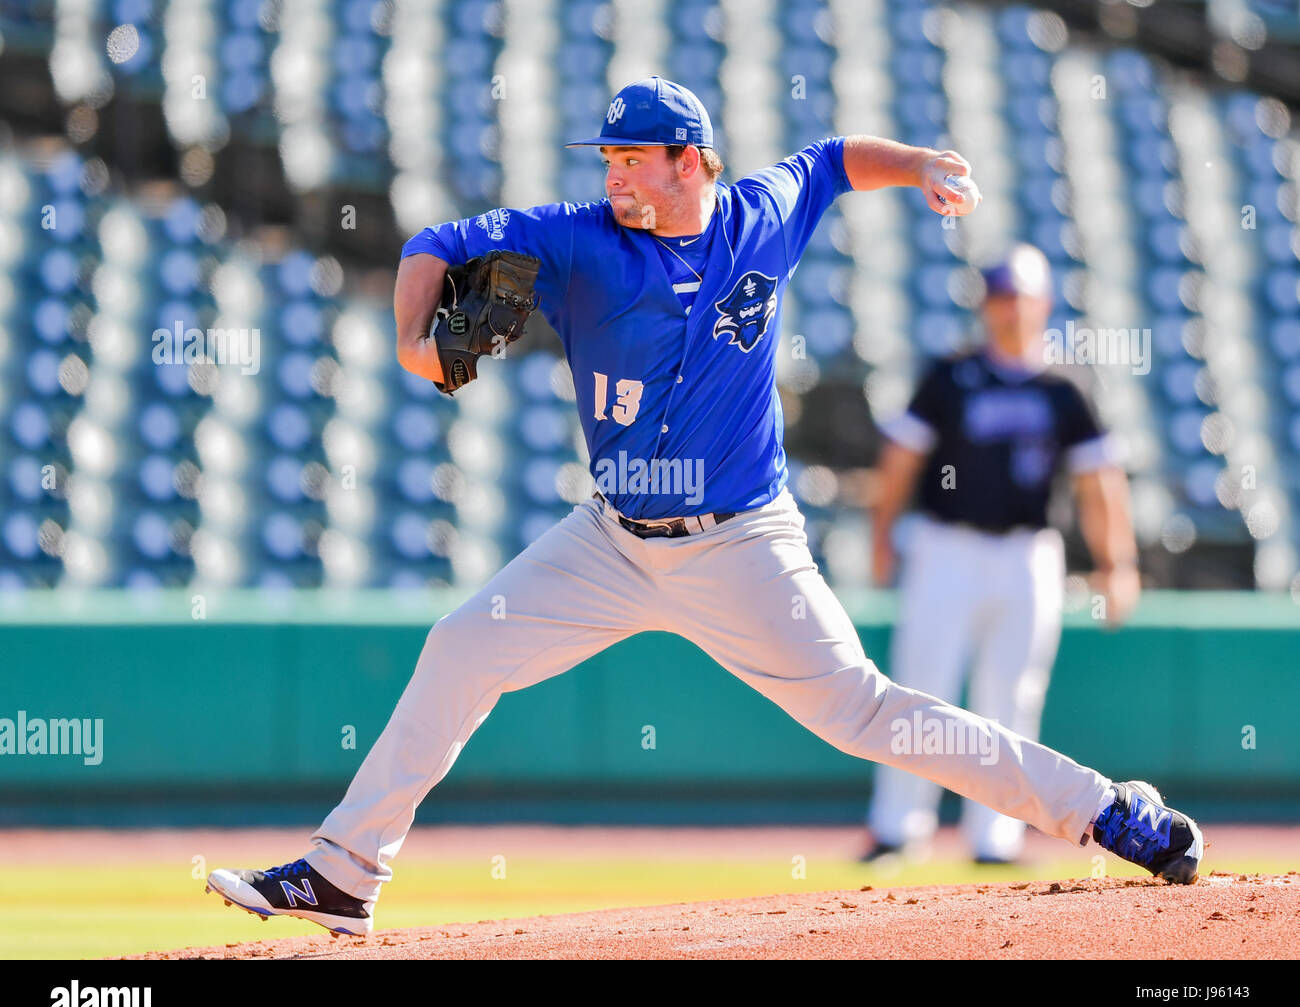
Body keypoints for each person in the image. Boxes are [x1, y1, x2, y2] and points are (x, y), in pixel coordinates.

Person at [206, 78, 1201, 937]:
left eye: (630, 159)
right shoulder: (578, 241)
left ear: (691, 163)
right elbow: (436, 242)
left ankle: (1105, 814)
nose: (612, 176)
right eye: (607, 159)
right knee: (460, 649)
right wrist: (414, 341)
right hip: (609, 539)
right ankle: (344, 872)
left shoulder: (759, 215)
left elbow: (831, 160)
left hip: (741, 544)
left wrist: (918, 163)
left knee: (868, 713)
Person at [862, 244, 1142, 866]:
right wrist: (881, 535)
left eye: (1020, 297)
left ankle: (996, 838)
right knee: (920, 690)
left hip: (1027, 552)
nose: (1010, 310)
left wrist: (1116, 563)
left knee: (1011, 696)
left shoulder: (1066, 386)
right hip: (946, 546)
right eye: (1000, 297)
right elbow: (900, 461)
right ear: (986, 306)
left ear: (1043, 304)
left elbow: (1101, 482)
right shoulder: (951, 375)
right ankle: (897, 829)